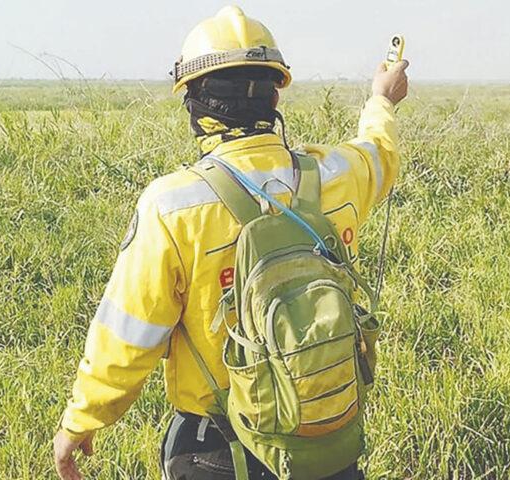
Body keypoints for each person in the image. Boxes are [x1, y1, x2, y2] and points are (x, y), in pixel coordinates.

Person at [53, 6, 409, 479]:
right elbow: (379, 153)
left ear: (195, 104)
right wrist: (382, 100)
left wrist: (82, 420)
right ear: (273, 97)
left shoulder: (171, 206)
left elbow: (128, 337)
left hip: (218, 451)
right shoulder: (335, 176)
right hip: (327, 439)